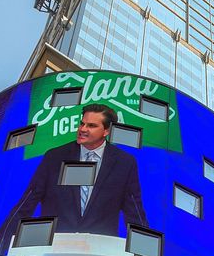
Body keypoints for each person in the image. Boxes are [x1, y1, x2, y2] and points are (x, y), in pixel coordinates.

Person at [9, 102, 148, 240]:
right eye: (82, 124)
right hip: (55, 246)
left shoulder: (124, 163)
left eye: (91, 126)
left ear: (107, 131)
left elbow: (134, 213)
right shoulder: (54, 157)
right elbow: (27, 202)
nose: (83, 129)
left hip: (99, 249)